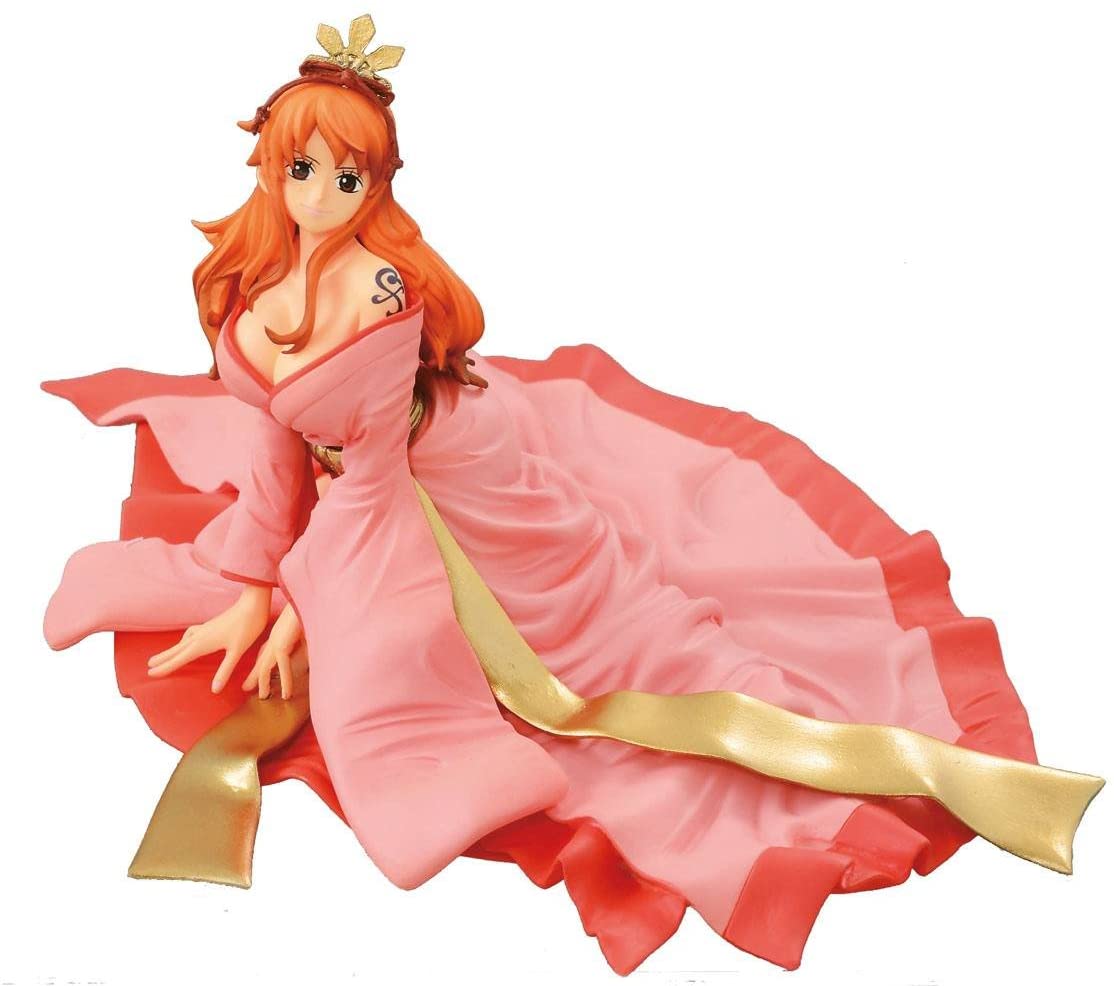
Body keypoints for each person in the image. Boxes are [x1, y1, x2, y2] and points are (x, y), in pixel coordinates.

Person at [40, 14, 1103, 976]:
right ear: (269, 164)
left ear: (380, 184)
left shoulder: (381, 294)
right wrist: (248, 576)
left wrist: (305, 595)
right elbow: (278, 441)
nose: (318, 197)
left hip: (434, 473)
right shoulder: (258, 275)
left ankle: (892, 764)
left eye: (346, 178)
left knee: (551, 645)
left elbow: (366, 486)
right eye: (300, 169)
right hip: (357, 476)